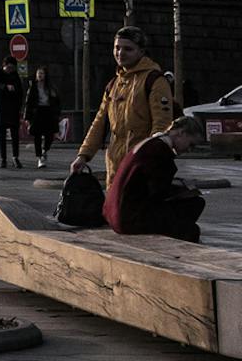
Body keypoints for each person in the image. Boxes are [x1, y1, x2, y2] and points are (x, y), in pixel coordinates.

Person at [74, 25, 176, 178]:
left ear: (141, 51)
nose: (120, 53)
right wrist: (83, 155)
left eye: (128, 49)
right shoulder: (114, 84)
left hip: (141, 166)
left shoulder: (154, 80)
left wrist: (150, 159)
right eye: (117, 48)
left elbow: (161, 126)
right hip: (115, 167)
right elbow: (99, 123)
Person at [105, 116, 207, 240]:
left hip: (113, 213)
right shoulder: (160, 152)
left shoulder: (149, 143)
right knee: (194, 212)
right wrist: (181, 191)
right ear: (181, 133)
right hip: (129, 219)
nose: (190, 150)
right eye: (191, 144)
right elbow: (158, 193)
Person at [26, 66, 64, 168]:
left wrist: (57, 113)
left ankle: (45, 150)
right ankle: (40, 157)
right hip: (37, 112)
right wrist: (27, 118)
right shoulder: (33, 87)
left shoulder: (51, 87)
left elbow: (57, 101)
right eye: (38, 73)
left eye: (42, 73)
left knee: (50, 135)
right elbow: (28, 103)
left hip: (49, 112)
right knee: (37, 135)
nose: (40, 75)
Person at [0, 60, 25, 168]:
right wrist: (5, 87)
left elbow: (20, 92)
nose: (10, 70)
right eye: (9, 67)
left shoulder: (15, 76)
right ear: (4, 66)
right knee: (2, 135)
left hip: (13, 109)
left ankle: (15, 157)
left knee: (15, 135)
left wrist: (19, 106)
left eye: (12, 68)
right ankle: (3, 158)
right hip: (2, 108)